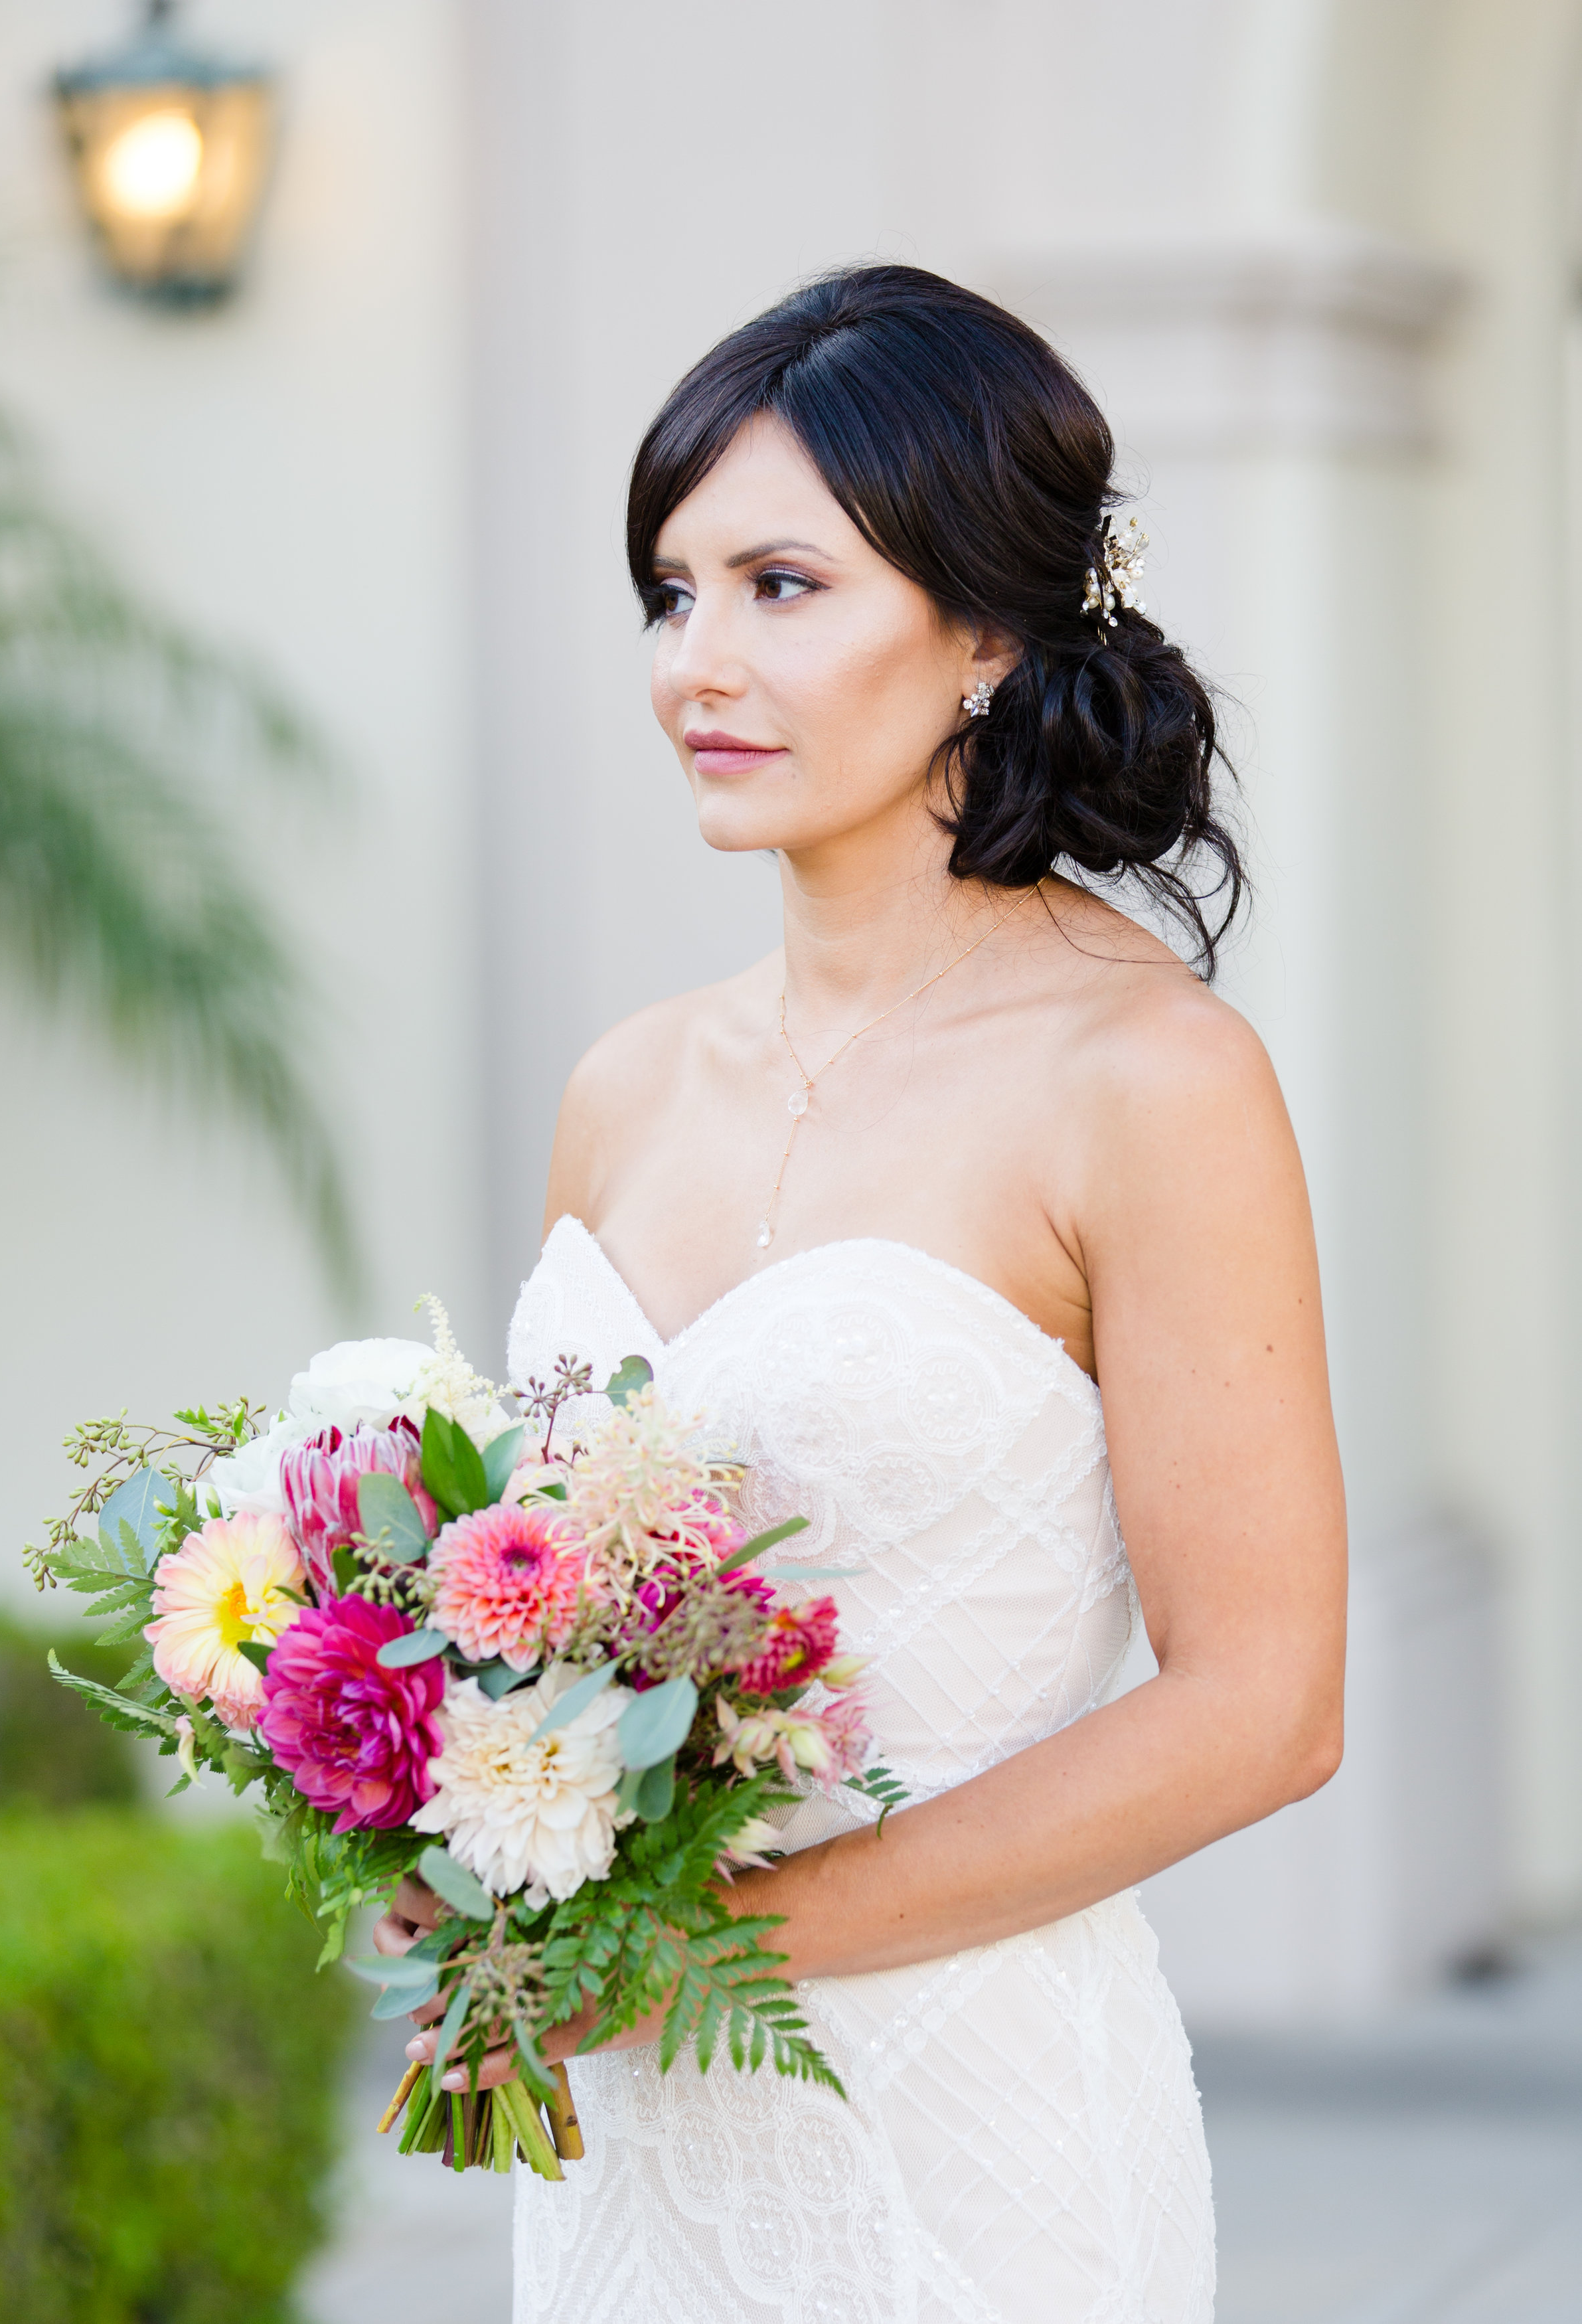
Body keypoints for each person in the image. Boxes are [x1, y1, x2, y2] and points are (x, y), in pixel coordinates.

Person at [380, 263, 1346, 2323]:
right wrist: (455, 1832)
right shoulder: (624, 1086)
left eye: (779, 586)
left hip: (968, 2147)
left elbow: (1262, 1705)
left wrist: (709, 1938)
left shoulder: (1148, 1080)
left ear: (987, 626)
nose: (694, 662)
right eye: (668, 590)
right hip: (635, 2167)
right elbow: (548, 1593)